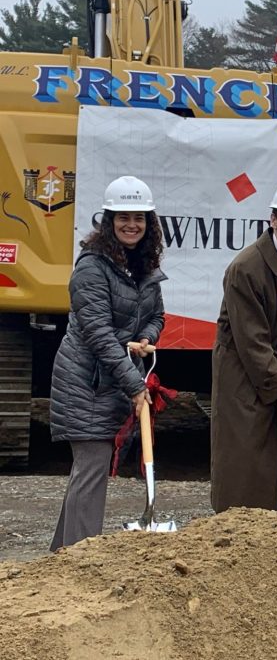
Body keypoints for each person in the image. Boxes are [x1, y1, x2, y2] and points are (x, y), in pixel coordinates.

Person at [49, 175, 166, 550]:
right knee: (92, 467)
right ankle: (81, 562)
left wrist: (147, 337)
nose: (132, 224)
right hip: (86, 382)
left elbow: (157, 315)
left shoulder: (142, 265)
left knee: (88, 473)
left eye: (140, 218)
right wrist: (135, 386)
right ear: (108, 220)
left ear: (150, 223)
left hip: (112, 380)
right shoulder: (91, 267)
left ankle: (60, 557)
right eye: (123, 217)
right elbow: (98, 334)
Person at [210, 180, 277, 512]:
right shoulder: (245, 270)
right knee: (246, 461)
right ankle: (235, 534)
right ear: (273, 220)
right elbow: (253, 345)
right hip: (243, 378)